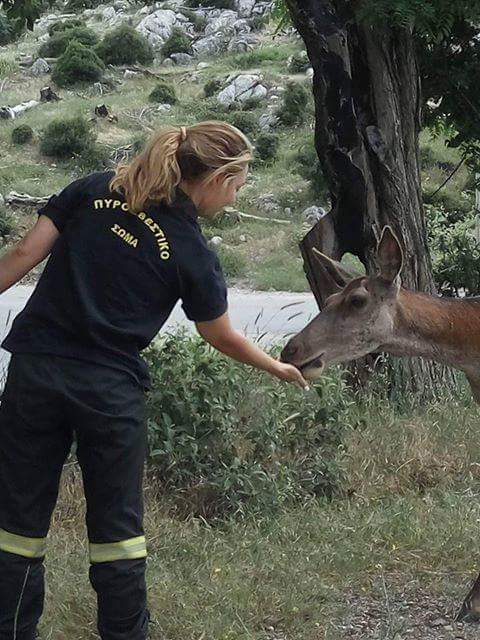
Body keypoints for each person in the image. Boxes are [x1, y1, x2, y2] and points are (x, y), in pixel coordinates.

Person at [0, 120, 307, 640]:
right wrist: (274, 365)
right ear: (213, 180)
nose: (232, 201)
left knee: (14, 525)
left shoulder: (95, 189)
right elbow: (220, 335)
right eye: (235, 187)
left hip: (36, 373)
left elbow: (21, 257)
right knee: (117, 535)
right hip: (109, 394)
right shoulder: (191, 251)